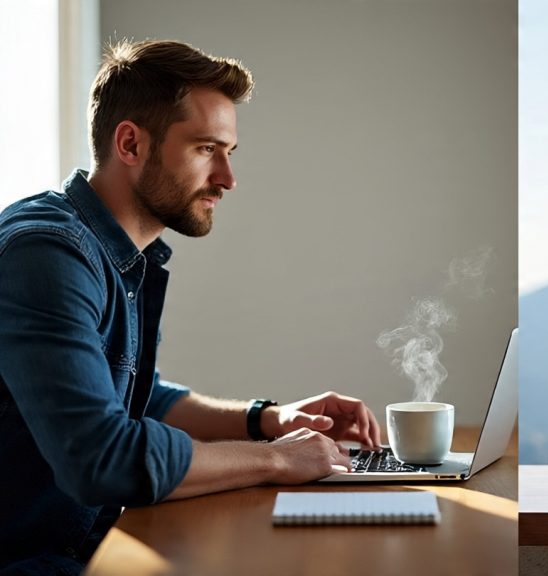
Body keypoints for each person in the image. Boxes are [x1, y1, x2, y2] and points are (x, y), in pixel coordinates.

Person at [0, 39, 381, 572]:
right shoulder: (46, 254)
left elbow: (137, 397)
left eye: (228, 152)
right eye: (206, 149)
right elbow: (101, 457)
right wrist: (276, 458)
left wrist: (268, 420)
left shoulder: (116, 254)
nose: (227, 179)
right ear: (130, 144)